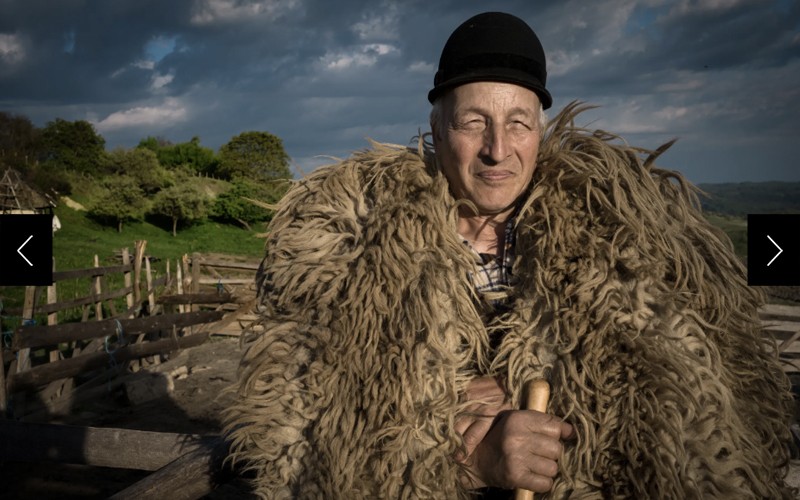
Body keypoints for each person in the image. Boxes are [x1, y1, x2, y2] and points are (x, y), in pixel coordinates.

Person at [223, 12, 796, 500]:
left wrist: (524, 385)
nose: (498, 150)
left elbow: (678, 400)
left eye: (517, 124)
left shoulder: (621, 237)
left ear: (540, 132)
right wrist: (472, 458)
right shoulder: (346, 247)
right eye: (475, 122)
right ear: (437, 127)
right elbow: (305, 436)